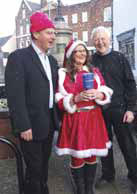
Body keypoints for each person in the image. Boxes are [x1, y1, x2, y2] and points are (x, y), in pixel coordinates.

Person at [5, 12, 59, 194]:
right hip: (30, 127)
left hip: (48, 123)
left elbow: (53, 90)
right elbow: (15, 95)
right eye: (49, 32)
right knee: (35, 170)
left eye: (54, 33)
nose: (53, 36)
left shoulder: (51, 61)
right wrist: (23, 125)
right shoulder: (18, 58)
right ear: (36, 34)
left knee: (43, 167)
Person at [55, 39, 113, 194]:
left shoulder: (94, 71)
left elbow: (105, 90)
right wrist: (75, 98)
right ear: (71, 55)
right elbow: (59, 100)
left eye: (83, 51)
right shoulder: (63, 74)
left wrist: (99, 93)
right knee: (77, 156)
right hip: (75, 119)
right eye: (77, 51)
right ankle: (80, 189)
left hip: (94, 118)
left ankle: (89, 188)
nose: (81, 54)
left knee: (92, 155)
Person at [91, 26, 137, 193]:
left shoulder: (120, 58)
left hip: (120, 109)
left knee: (128, 145)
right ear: (93, 42)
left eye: (103, 38)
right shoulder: (91, 61)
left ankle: (134, 176)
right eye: (97, 39)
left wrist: (131, 110)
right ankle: (108, 175)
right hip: (99, 112)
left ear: (109, 40)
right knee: (105, 145)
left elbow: (131, 85)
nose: (100, 42)